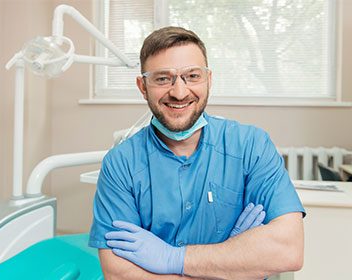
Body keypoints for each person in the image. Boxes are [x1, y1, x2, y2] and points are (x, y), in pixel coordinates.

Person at [89, 26, 305, 279]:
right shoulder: (121, 164)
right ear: (142, 86)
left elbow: (288, 251)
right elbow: (118, 273)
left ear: (209, 80)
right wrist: (232, 261)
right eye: (162, 78)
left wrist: (173, 259)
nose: (179, 92)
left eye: (192, 76)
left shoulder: (251, 146)